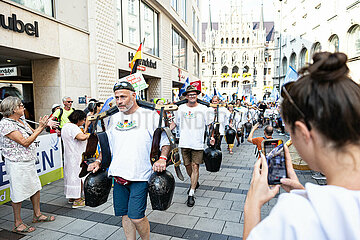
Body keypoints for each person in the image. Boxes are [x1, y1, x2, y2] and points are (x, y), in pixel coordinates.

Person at [243, 52, 360, 239]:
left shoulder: (296, 216)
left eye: (291, 133)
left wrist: (252, 204)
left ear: (304, 133)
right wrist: (306, 195)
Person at [87, 81, 170, 240]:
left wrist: (162, 158)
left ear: (134, 95)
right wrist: (98, 161)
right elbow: (108, 146)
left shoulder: (150, 115)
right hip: (118, 175)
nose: (119, 101)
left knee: (136, 217)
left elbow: (165, 141)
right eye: (117, 97)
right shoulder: (113, 118)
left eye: (123, 97)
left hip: (140, 175)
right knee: (125, 215)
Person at [0, 96, 55, 233]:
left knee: (35, 187)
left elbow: (32, 133)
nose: (23, 107)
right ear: (13, 109)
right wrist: (41, 127)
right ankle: (17, 223)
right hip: (16, 163)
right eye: (20, 106)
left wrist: (44, 125)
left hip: (28, 161)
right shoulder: (6, 124)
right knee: (18, 192)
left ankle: (37, 215)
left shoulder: (21, 120)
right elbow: (25, 142)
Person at [170, 85, 212, 207]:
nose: (192, 96)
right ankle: (195, 181)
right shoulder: (181, 108)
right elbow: (174, 123)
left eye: (194, 94)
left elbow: (209, 125)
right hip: (184, 142)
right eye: (190, 94)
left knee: (195, 167)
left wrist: (212, 136)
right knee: (187, 166)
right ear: (186, 96)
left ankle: (191, 193)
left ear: (197, 95)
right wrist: (165, 131)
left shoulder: (204, 109)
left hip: (198, 143)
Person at [61, 110, 90, 208]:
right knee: (78, 176)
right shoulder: (73, 128)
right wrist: (88, 135)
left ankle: (72, 197)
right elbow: (81, 137)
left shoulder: (65, 126)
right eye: (83, 120)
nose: (83, 122)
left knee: (70, 176)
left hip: (69, 155)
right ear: (79, 119)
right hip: (76, 155)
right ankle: (77, 199)